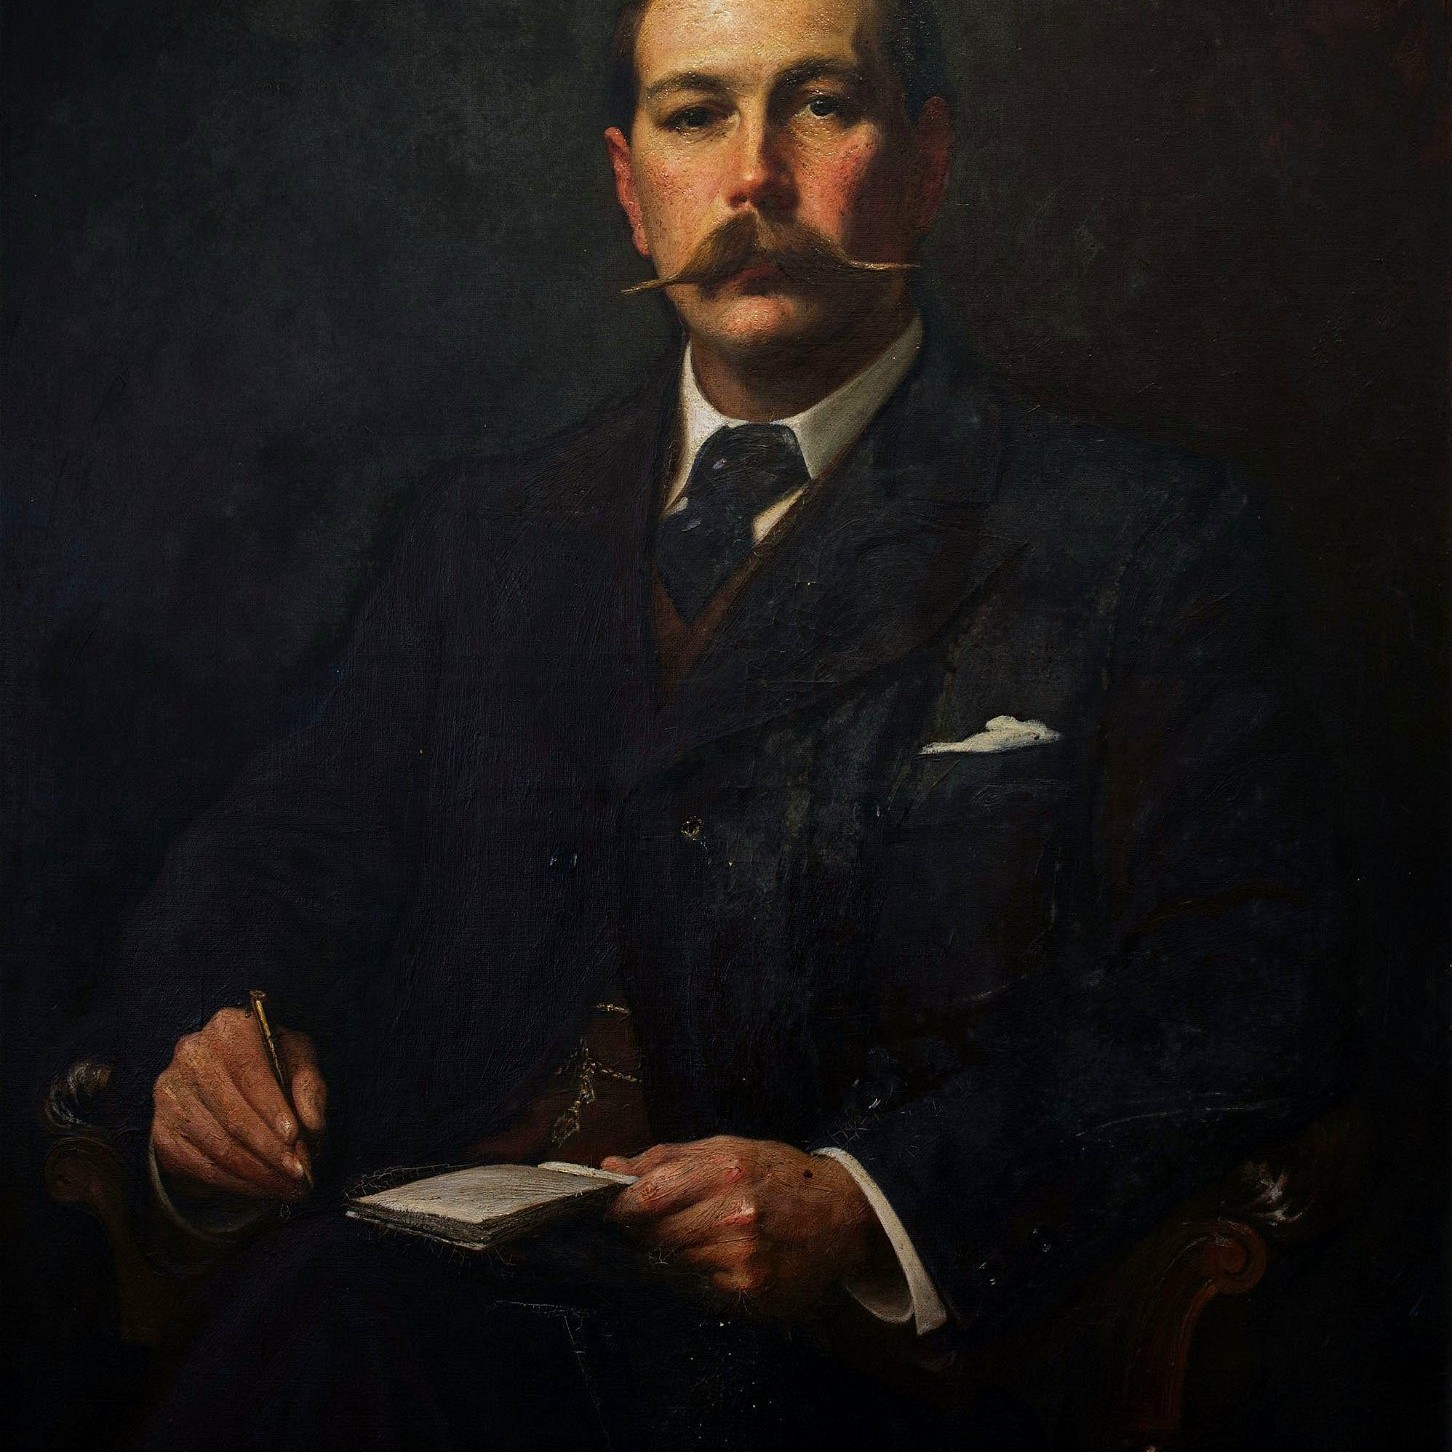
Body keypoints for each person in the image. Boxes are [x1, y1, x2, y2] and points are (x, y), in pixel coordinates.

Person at [116, 0, 1343, 1446]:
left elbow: (1248, 985)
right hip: (414, 1307)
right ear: (632, 190)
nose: (754, 175)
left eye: (820, 104)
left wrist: (870, 1203)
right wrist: (219, 1048)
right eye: (697, 115)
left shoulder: (1138, 540)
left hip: (831, 1372)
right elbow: (265, 864)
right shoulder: (481, 535)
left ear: (928, 162)